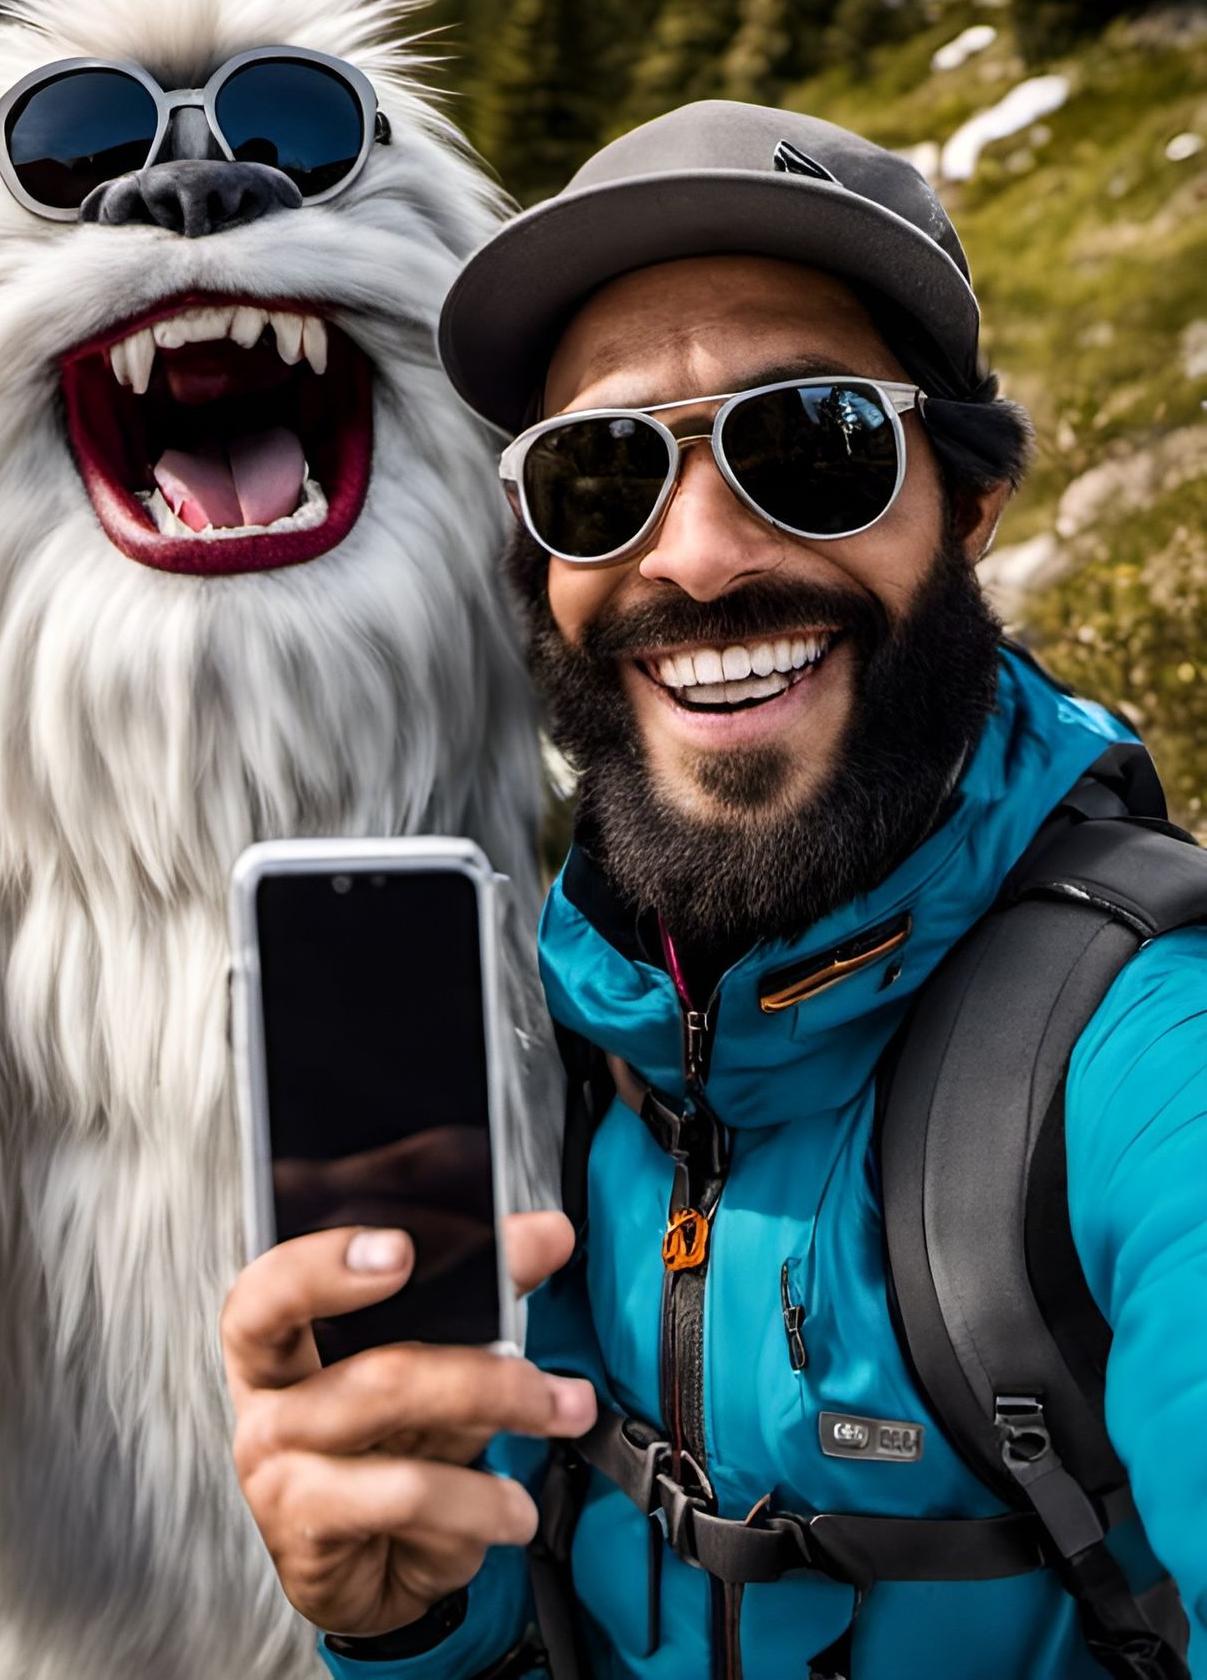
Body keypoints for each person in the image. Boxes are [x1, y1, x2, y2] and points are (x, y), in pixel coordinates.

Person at [221, 99, 1207, 1679]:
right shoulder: (554, 1041)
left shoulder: (1151, 1053)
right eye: (598, 476)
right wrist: (399, 1614)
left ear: (971, 498)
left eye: (810, 440)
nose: (690, 555)